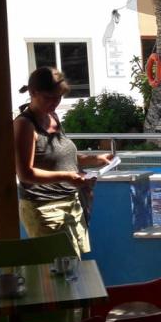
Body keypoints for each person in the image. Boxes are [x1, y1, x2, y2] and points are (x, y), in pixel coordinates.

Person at [13, 67, 112, 257]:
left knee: (73, 264)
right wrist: (67, 177)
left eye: (58, 98)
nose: (54, 103)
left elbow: (59, 155)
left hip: (70, 203)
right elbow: (25, 173)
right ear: (33, 93)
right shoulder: (25, 125)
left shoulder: (53, 117)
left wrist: (94, 159)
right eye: (49, 98)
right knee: (58, 266)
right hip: (45, 208)